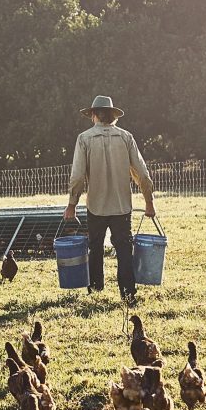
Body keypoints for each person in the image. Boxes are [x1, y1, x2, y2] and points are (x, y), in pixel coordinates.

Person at [62, 94, 160, 303]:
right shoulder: (126, 137)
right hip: (122, 206)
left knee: (95, 248)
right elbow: (141, 173)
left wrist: (72, 204)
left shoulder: (84, 138)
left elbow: (78, 176)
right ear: (113, 115)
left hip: (96, 206)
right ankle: (128, 293)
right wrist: (149, 201)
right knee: (125, 250)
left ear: (95, 115)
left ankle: (96, 290)